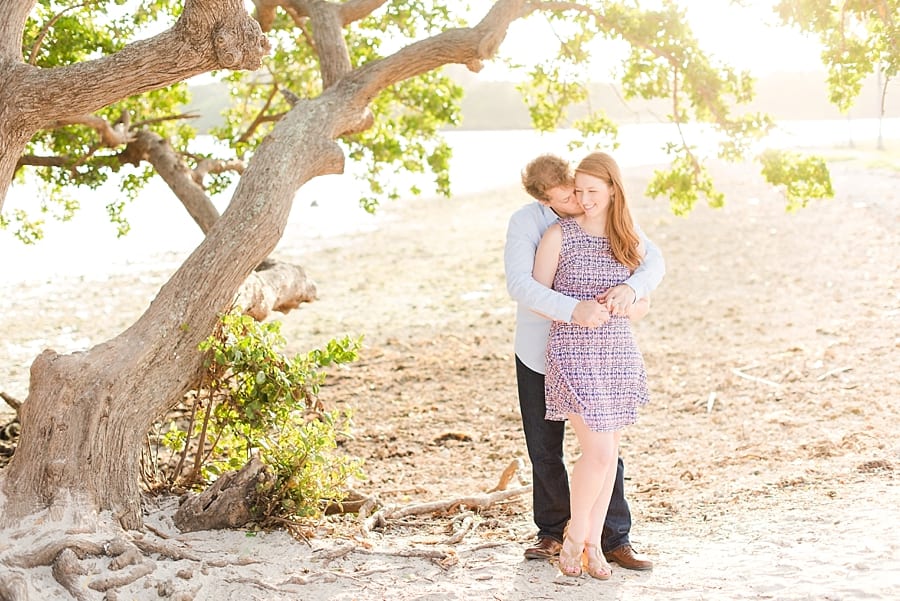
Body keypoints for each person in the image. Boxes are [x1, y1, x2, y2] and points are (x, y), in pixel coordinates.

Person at [503, 152, 663, 572]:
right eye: (570, 196)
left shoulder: (610, 218)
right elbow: (523, 286)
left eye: (585, 190)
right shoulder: (534, 225)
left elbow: (651, 264)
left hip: (610, 351)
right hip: (549, 348)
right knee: (546, 448)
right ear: (547, 200)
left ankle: (610, 538)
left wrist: (631, 292)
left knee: (608, 449)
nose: (581, 200)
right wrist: (576, 310)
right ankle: (556, 533)